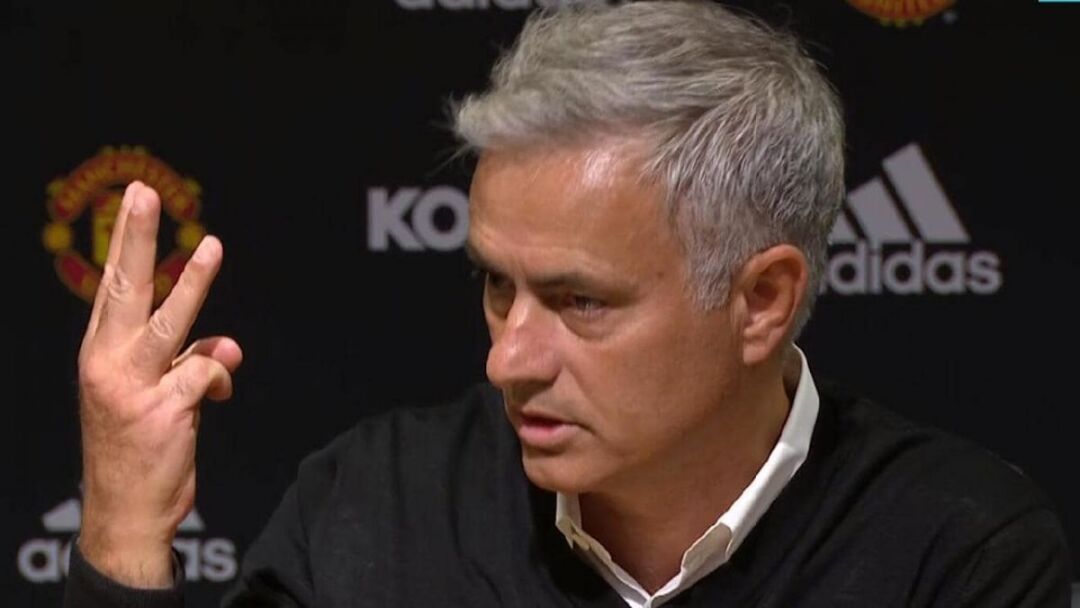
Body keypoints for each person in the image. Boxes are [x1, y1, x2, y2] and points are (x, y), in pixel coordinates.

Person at [65, 2, 1072, 606]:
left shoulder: (954, 551)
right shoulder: (375, 503)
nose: (508, 358)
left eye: (579, 300)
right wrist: (123, 534)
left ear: (762, 300)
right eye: (497, 285)